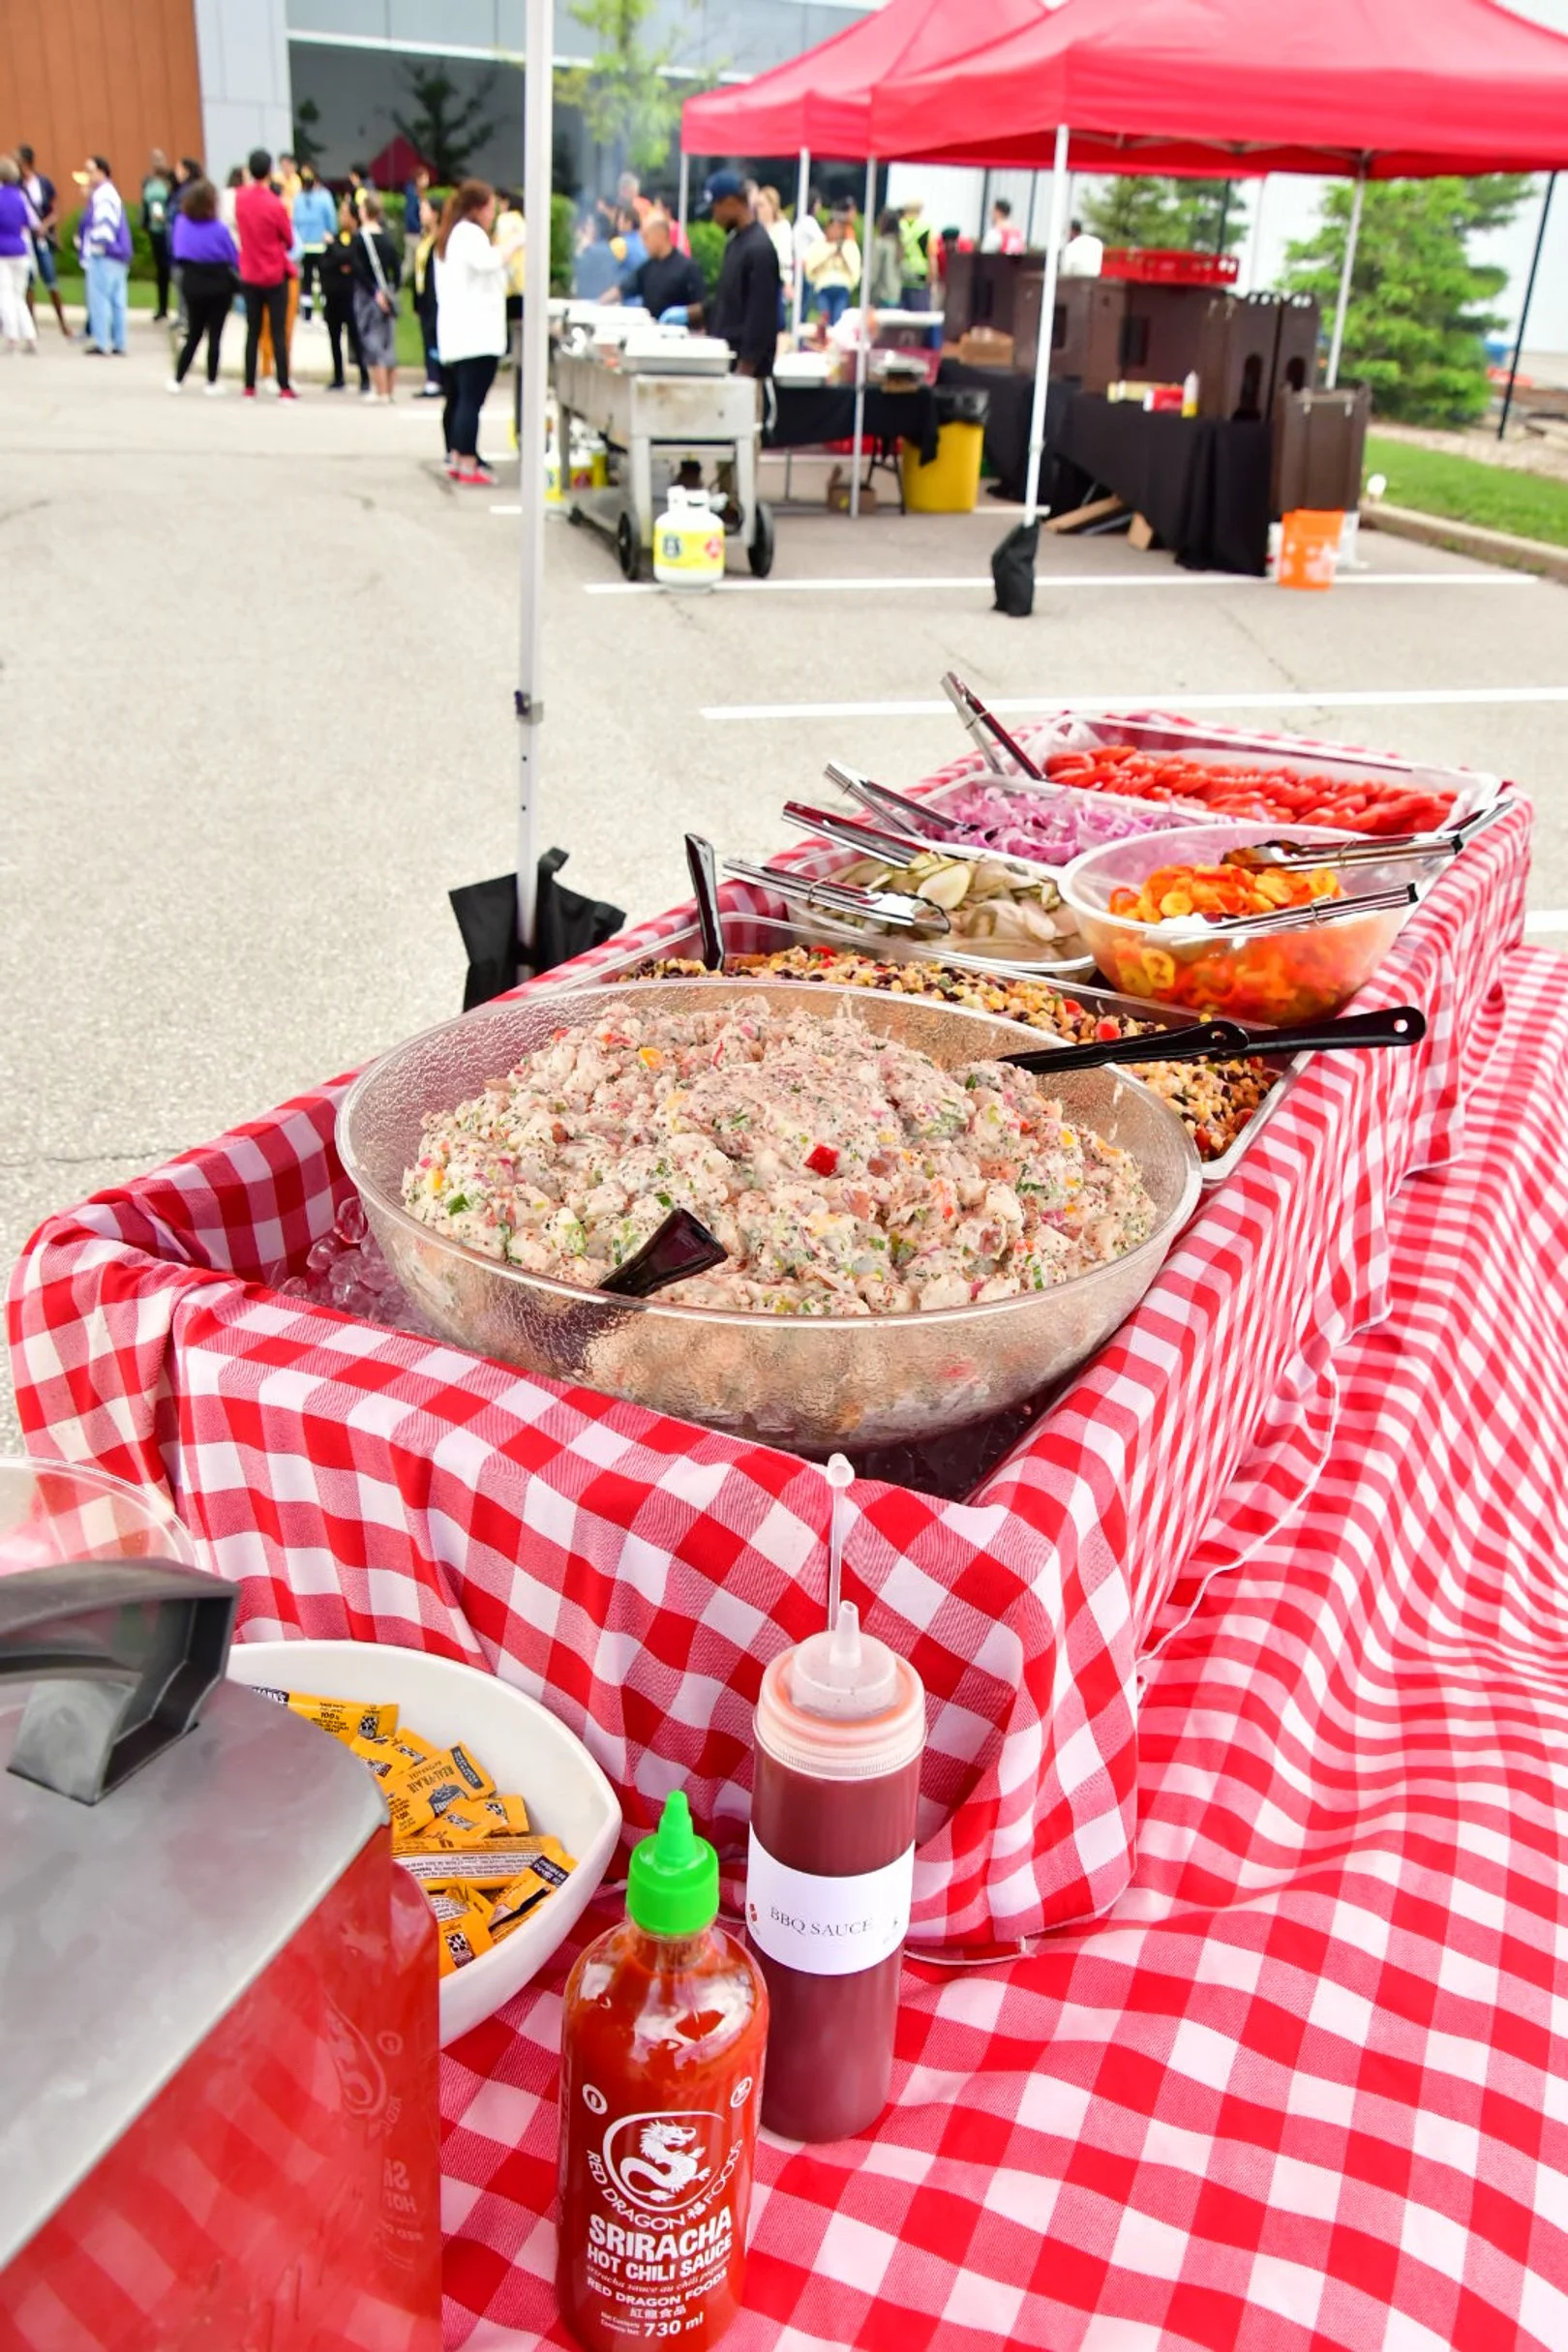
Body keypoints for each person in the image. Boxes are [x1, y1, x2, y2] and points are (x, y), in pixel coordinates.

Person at [435, 177, 522, 484]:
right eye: (490, 209)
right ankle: (468, 461)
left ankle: (459, 456)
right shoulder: (469, 234)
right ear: (478, 208)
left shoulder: (450, 236)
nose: (493, 215)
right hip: (476, 333)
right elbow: (489, 262)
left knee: (460, 399)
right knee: (471, 401)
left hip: (459, 331)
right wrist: (515, 242)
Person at [702, 170, 780, 380]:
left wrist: (746, 369)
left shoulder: (759, 249)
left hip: (746, 369)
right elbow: (729, 299)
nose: (714, 217)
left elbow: (761, 314)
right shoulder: (735, 243)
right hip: (726, 359)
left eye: (715, 209)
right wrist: (696, 313)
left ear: (730, 203)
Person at [234, 147, 297, 398]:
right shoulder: (276, 204)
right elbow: (289, 240)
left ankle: (249, 385)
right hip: (273, 273)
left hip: (249, 271)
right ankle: (283, 385)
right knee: (278, 331)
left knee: (252, 331)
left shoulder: (240, 199)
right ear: (271, 171)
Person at [166, 176, 236, 392]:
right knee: (215, 336)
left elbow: (178, 251)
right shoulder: (219, 229)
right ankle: (211, 382)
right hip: (219, 284)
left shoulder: (181, 224)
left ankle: (178, 378)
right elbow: (233, 256)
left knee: (194, 333)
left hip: (192, 281)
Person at [75, 158, 133, 355]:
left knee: (100, 299)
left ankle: (102, 342)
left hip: (105, 254)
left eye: (90, 171)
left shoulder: (103, 195)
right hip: (118, 254)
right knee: (117, 301)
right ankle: (119, 342)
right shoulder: (109, 193)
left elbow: (104, 224)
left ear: (101, 172)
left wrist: (98, 248)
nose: (88, 176)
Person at [350, 190, 401, 402]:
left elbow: (357, 269)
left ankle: (379, 391)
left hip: (367, 295)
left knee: (371, 340)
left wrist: (374, 292)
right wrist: (391, 292)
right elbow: (396, 269)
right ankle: (389, 391)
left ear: (364, 212)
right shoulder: (387, 239)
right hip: (387, 292)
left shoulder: (359, 239)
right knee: (389, 341)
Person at [16, 146, 70, 338]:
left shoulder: (44, 183)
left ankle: (63, 323)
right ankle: (32, 326)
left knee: (51, 280)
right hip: (26, 239)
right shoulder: (16, 185)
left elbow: (55, 211)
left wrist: (45, 226)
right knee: (28, 283)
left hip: (43, 239)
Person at [319, 198, 369, 393]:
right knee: (334, 336)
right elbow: (324, 263)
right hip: (333, 294)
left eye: (345, 214)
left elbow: (351, 259)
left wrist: (336, 252)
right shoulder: (336, 237)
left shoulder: (357, 239)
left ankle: (364, 376)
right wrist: (338, 257)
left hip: (350, 295)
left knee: (355, 337)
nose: (342, 217)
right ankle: (338, 376)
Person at [629, 208, 704, 323]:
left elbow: (701, 307)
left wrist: (686, 315)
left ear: (660, 235)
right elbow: (624, 289)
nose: (643, 243)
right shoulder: (647, 268)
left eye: (645, 237)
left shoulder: (688, 268)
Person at [0, 157, 37, 351]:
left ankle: (12, 336)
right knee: (19, 295)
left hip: (2, 252)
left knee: (4, 294)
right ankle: (30, 336)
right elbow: (31, 223)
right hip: (21, 250)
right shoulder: (20, 197)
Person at [291, 164, 336, 321]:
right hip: (321, 245)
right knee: (324, 279)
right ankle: (326, 312)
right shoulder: (324, 197)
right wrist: (332, 233)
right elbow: (331, 220)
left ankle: (307, 313)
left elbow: (293, 221)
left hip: (304, 246)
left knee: (306, 280)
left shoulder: (298, 198)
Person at [805, 208, 859, 327]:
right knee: (825, 319)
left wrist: (842, 257)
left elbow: (855, 271)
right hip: (823, 287)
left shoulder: (849, 245)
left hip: (842, 287)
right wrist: (828, 256)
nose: (835, 231)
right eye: (832, 227)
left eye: (838, 228)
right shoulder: (818, 245)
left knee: (838, 320)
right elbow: (811, 269)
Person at [410, 193, 442, 396]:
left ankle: (438, 379)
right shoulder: (425, 237)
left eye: (425, 209)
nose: (420, 213)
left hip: (435, 299)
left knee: (435, 338)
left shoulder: (440, 240)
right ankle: (432, 377)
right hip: (423, 298)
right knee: (427, 338)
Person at [141, 149, 174, 317]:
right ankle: (162, 307)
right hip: (155, 229)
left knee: (171, 268)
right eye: (154, 159)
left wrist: (166, 216)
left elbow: (175, 202)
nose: (157, 162)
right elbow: (145, 203)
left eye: (160, 159)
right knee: (160, 269)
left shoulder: (170, 180)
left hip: (168, 229)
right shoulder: (148, 181)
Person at [754, 185, 795, 316]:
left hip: (774, 279)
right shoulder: (754, 228)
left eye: (762, 205)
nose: (758, 209)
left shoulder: (782, 227)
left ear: (772, 206)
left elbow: (785, 255)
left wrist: (788, 282)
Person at [572, 212, 619, 301]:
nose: (587, 228)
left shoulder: (591, 251)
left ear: (597, 229)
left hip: (590, 303)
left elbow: (577, 279)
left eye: (590, 225)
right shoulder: (609, 250)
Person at [867, 206, 903, 310]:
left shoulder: (880, 244)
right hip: (894, 295)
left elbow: (873, 271)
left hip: (881, 295)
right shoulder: (898, 245)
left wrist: (866, 290)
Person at [898, 200, 931, 308]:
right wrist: (932, 279)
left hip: (901, 275)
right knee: (920, 318)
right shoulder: (926, 228)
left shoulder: (899, 226)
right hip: (920, 277)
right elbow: (931, 256)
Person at [404, 165, 429, 239]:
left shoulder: (420, 193)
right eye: (424, 178)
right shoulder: (413, 195)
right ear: (418, 179)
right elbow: (410, 215)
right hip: (414, 234)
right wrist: (420, 228)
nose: (427, 181)